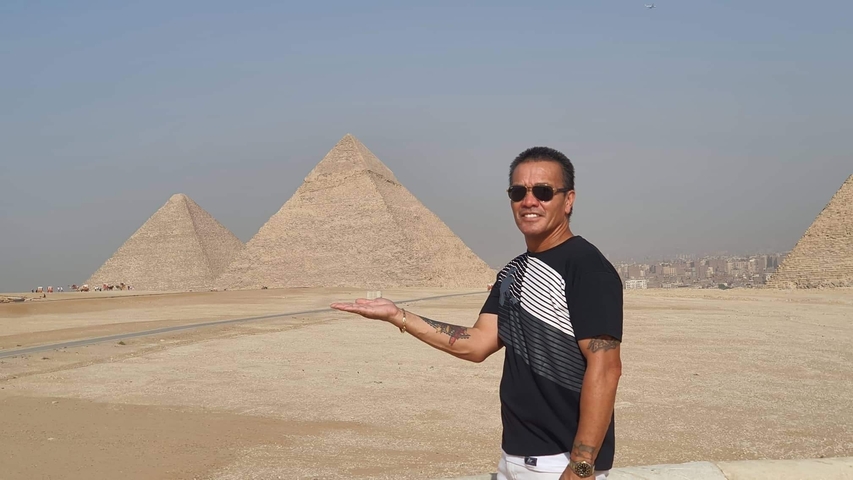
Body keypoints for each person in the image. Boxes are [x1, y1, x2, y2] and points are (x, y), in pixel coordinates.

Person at [330, 146, 623, 480]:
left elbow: (606, 368)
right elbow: (477, 343)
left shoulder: (587, 268)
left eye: (543, 192)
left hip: (560, 463)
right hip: (514, 458)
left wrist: (582, 465)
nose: (529, 201)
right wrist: (399, 316)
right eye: (518, 192)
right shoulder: (513, 273)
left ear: (568, 200)